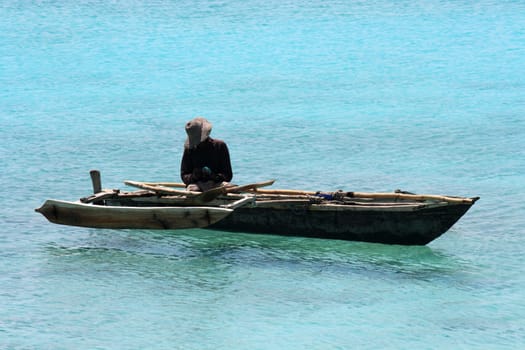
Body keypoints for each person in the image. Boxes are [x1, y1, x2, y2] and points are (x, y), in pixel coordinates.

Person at [180, 117, 233, 192]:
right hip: (197, 185)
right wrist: (195, 175)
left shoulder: (220, 146)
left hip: (217, 184)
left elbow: (228, 175)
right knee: (192, 189)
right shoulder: (189, 149)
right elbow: (184, 176)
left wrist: (213, 176)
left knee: (230, 187)